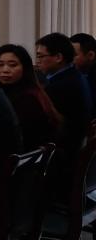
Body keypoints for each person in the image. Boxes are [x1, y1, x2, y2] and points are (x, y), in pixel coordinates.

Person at [36, 33, 93, 191]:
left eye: (40, 56)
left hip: (61, 159)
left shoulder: (59, 87)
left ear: (58, 57)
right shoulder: (76, 76)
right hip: (73, 151)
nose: (37, 61)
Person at [0, 44, 62, 152]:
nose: (5, 70)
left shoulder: (28, 98)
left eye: (13, 65)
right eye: (0, 64)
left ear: (25, 68)